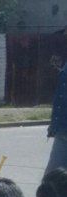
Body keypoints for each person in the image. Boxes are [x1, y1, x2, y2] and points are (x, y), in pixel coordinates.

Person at [46, 37, 67, 175]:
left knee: (52, 179)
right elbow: (60, 100)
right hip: (62, 131)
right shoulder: (64, 68)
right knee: (51, 179)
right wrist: (54, 126)